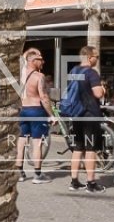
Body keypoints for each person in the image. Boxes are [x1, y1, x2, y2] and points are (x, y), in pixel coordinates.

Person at [62, 46, 107, 192]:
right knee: (90, 149)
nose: (97, 59)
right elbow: (98, 93)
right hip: (89, 115)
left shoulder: (74, 71)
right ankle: (91, 183)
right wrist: (103, 89)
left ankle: (74, 181)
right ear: (89, 57)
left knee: (77, 148)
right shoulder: (92, 73)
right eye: (96, 57)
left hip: (76, 114)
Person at [17, 49, 52, 182]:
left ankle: (19, 173)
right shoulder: (39, 76)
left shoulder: (20, 75)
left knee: (21, 141)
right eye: (40, 59)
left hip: (23, 110)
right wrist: (51, 115)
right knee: (37, 142)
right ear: (32, 61)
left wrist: (32, 51)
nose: (43, 62)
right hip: (36, 110)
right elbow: (43, 97)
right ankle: (37, 175)